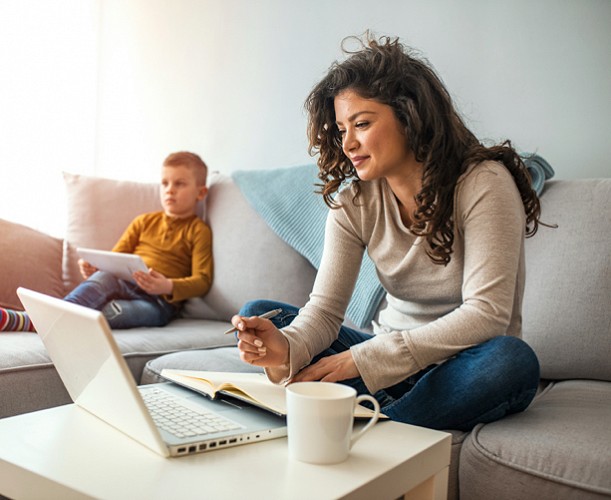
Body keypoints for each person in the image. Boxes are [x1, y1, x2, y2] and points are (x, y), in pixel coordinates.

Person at [229, 35, 543, 431]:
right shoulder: (353, 204)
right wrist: (285, 348)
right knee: (259, 314)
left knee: (511, 361)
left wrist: (363, 362)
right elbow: (324, 313)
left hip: (462, 365)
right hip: (382, 361)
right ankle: (391, 412)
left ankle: (376, 423)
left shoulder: (484, 184)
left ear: (411, 117)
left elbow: (487, 315)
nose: (348, 143)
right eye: (342, 129)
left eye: (362, 124)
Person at [1, 151, 213, 332]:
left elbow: (203, 280)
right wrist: (95, 268)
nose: (170, 189)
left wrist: (166, 285)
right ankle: (34, 321)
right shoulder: (144, 221)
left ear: (201, 192)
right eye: (165, 183)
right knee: (102, 278)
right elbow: (115, 259)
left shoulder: (198, 231)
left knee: (112, 314)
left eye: (180, 184)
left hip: (158, 303)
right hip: (122, 282)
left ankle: (46, 323)